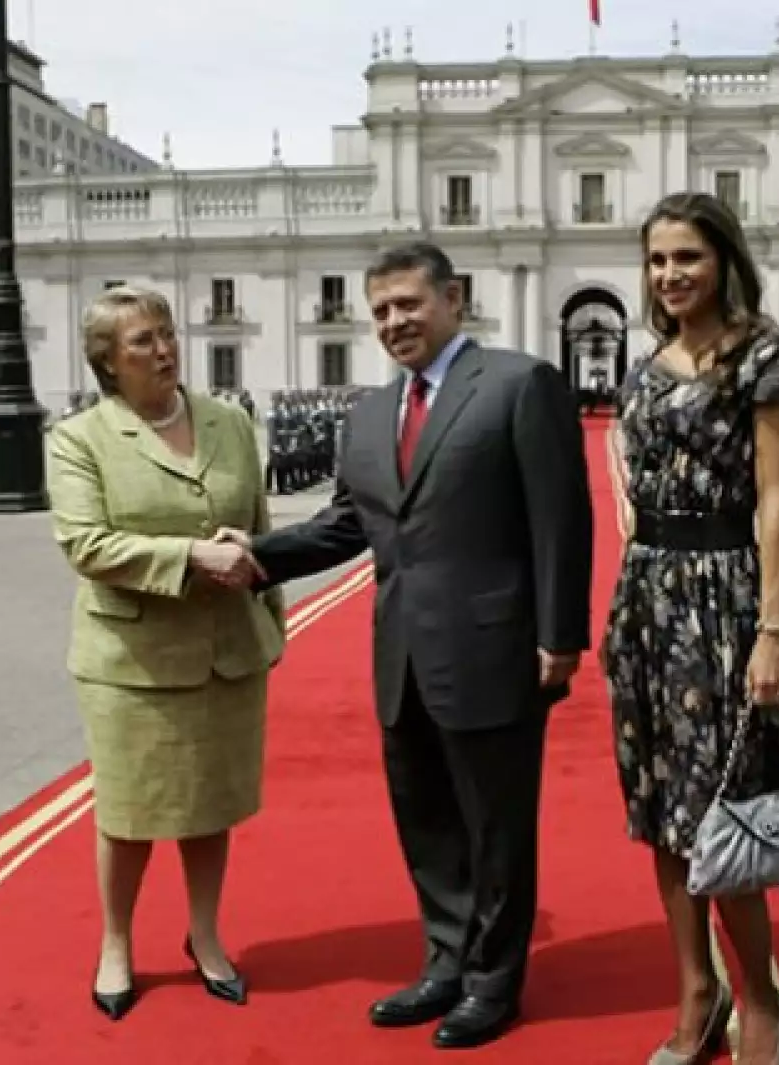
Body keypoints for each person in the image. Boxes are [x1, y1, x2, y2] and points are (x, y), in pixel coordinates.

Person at [218, 242, 593, 1050]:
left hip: (497, 645)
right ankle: (446, 959)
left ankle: (494, 981)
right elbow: (348, 524)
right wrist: (255, 552)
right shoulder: (368, 412)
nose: (393, 322)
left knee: (495, 823)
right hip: (402, 652)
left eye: (408, 304)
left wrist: (561, 636)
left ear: (452, 298)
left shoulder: (518, 385)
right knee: (424, 817)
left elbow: (560, 520)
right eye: (381, 309)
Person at [603, 191, 779, 1065]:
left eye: (686, 256)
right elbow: (627, 458)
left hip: (723, 603)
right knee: (660, 808)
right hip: (647, 599)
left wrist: (772, 630)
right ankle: (696, 985)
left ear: (723, 258)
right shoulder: (649, 365)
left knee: (722, 810)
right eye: (656, 260)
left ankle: (758, 997)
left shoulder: (763, 358)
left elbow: (775, 498)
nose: (670, 274)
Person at [48, 285, 284, 1021]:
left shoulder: (231, 422)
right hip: (133, 661)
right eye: (142, 341)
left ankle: (205, 935)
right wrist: (190, 556)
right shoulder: (79, 438)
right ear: (108, 363)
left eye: (166, 333)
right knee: (128, 809)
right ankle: (116, 941)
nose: (163, 349)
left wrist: (271, 622)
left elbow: (260, 524)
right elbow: (85, 544)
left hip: (227, 651)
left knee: (209, 804)